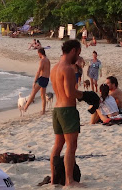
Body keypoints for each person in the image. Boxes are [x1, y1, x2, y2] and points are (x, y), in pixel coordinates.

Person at [49, 39, 84, 187]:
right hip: (67, 110)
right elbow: (70, 92)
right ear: (74, 50)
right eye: (79, 53)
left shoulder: (55, 67)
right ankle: (69, 180)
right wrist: (85, 96)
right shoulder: (68, 68)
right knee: (71, 145)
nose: (79, 56)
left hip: (56, 109)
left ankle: (53, 179)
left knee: (58, 145)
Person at [24, 48, 51, 114]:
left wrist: (34, 81)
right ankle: (43, 110)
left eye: (38, 54)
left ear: (40, 53)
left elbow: (38, 71)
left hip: (42, 79)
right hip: (46, 79)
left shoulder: (42, 60)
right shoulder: (48, 60)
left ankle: (25, 107)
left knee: (33, 93)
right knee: (42, 95)